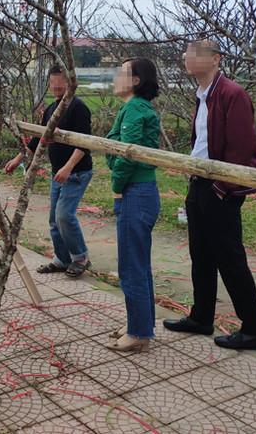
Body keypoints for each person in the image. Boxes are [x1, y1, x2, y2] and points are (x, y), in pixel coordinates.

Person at [163, 39, 256, 350]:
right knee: (201, 254)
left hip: (220, 187)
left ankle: (254, 329)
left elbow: (243, 149)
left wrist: (224, 188)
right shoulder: (202, 95)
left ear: (216, 59)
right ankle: (201, 317)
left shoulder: (232, 94)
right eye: (186, 55)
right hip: (198, 184)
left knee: (230, 258)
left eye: (195, 55)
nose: (187, 59)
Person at [4, 64, 94, 278]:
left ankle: (81, 256)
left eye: (60, 80)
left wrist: (68, 167)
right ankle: (62, 259)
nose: (56, 85)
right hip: (58, 173)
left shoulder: (78, 107)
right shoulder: (52, 110)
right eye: (52, 80)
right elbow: (39, 139)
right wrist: (19, 159)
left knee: (64, 215)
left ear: (71, 82)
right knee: (54, 218)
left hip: (76, 172)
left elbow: (85, 143)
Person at [104, 58, 161, 353]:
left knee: (131, 267)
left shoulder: (135, 109)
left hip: (134, 193)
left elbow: (127, 155)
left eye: (122, 73)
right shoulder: (132, 108)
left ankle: (139, 333)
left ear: (136, 81)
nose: (115, 78)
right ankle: (140, 324)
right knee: (139, 265)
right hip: (141, 192)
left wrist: (116, 186)